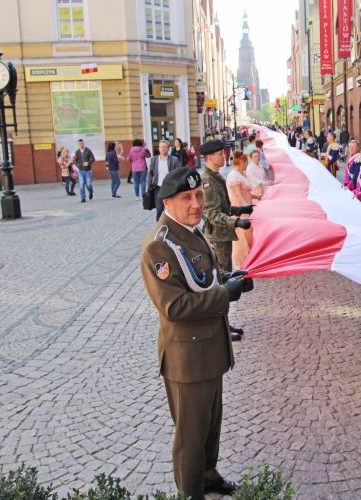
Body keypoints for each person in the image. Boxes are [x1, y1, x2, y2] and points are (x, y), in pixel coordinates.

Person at [140, 167, 253, 500]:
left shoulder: (190, 231)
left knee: (210, 425)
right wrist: (225, 294)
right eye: (186, 198)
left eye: (198, 195)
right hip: (187, 359)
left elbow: (206, 275)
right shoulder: (159, 247)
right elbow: (174, 307)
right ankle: (191, 492)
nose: (196, 203)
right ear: (167, 202)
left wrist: (231, 278)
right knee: (191, 436)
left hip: (209, 351)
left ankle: (208, 474)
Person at [199, 140, 254, 342]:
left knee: (224, 281)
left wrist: (240, 211)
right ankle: (220, 327)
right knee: (221, 285)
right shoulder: (207, 180)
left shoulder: (216, 177)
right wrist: (237, 222)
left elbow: (223, 208)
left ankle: (224, 323)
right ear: (211, 156)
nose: (225, 157)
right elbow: (213, 215)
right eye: (221, 154)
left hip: (223, 237)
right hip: (217, 237)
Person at [227, 152, 260, 268]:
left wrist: (257, 197)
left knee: (248, 237)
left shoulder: (242, 174)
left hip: (247, 209)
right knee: (241, 239)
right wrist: (248, 208)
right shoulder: (234, 176)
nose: (247, 163)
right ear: (240, 162)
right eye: (245, 161)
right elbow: (239, 196)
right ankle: (239, 264)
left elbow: (247, 193)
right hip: (241, 211)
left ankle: (248, 261)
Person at [148, 140, 182, 221]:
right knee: (159, 209)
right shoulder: (154, 160)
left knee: (170, 209)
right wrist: (149, 186)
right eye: (161, 147)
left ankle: (171, 226)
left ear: (168, 149)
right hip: (158, 188)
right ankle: (159, 227)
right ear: (159, 148)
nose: (163, 149)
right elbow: (150, 174)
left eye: (165, 147)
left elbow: (179, 174)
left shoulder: (174, 160)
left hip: (170, 188)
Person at [74, 138, 95, 203]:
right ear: (78, 144)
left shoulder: (88, 150)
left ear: (84, 143)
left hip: (88, 171)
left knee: (88, 184)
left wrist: (88, 163)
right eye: (80, 144)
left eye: (82, 143)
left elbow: (93, 159)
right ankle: (83, 198)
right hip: (80, 171)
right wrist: (77, 165)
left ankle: (91, 192)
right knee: (81, 184)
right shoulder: (77, 152)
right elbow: (75, 160)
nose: (81, 145)